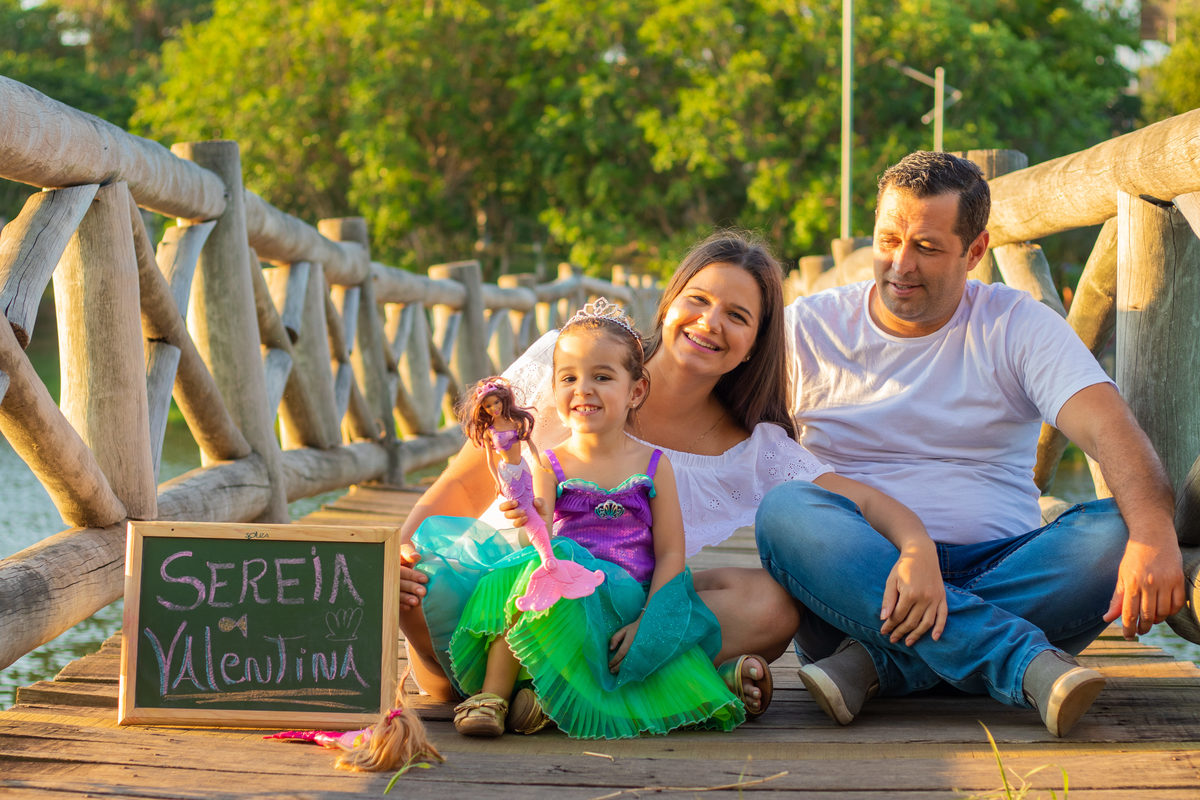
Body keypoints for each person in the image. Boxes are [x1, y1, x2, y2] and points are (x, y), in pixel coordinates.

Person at [756, 150, 1187, 738]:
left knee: (1120, 528)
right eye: (888, 240)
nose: (899, 265)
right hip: (857, 583)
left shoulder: (1016, 322)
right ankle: (1019, 660)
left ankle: (878, 665)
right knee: (785, 511)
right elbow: (736, 439)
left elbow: (1110, 428)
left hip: (1004, 562)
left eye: (927, 248)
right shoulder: (807, 327)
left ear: (976, 252)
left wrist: (1154, 534)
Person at [398, 231, 810, 710]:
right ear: (669, 300)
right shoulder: (573, 355)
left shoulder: (749, 445)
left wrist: (912, 547)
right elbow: (463, 483)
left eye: (737, 316)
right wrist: (395, 557)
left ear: (757, 342)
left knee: (770, 604)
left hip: (623, 600)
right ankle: (661, 682)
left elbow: (850, 497)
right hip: (513, 583)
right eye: (697, 299)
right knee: (420, 574)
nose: (710, 321)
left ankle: (549, 689)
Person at [411, 300, 747, 738]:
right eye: (569, 378)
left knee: (566, 565)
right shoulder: (551, 464)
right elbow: (540, 530)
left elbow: (670, 554)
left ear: (636, 391)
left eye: (602, 377)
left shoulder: (653, 464)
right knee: (532, 567)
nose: (583, 389)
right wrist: (520, 497)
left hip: (625, 603)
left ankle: (535, 701)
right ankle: (497, 698)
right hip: (567, 600)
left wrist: (649, 620)